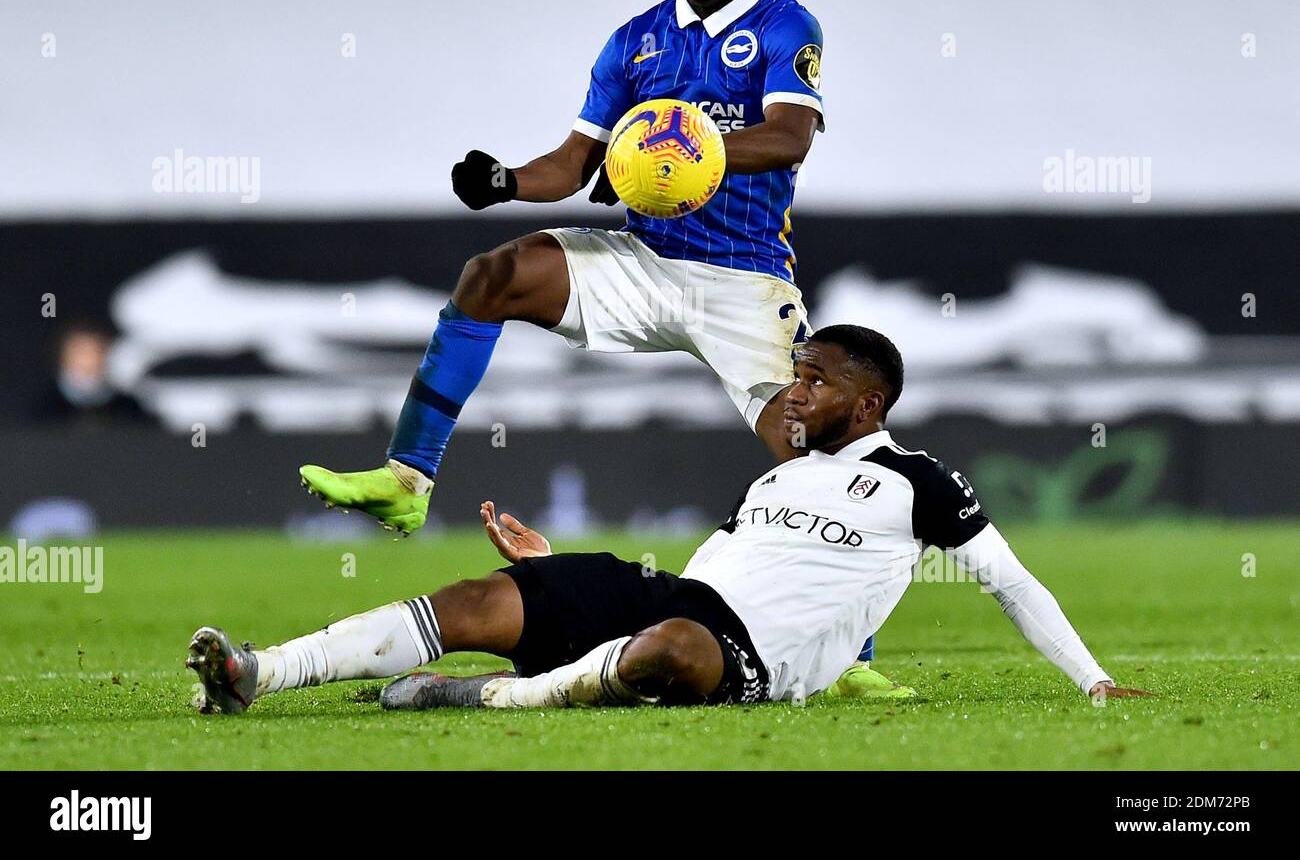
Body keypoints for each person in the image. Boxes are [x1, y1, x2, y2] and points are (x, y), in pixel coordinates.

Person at [298, 0, 900, 697]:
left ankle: (851, 659)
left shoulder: (784, 26)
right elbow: (578, 162)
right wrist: (507, 180)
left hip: (742, 282)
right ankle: (406, 479)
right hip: (643, 262)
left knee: (812, 457)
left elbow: (789, 136)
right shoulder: (637, 39)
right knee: (493, 274)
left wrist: (680, 151)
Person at [189, 326, 1151, 714]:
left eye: (815, 379)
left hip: (744, 658)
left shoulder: (918, 482)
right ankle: (261, 671)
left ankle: (477, 698)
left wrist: (1098, 683)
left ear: (869, 402)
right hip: (682, 596)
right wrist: (562, 569)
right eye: (795, 371)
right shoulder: (776, 479)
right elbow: (716, 560)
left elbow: (1012, 583)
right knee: (494, 594)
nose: (795, 387)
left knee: (676, 646)